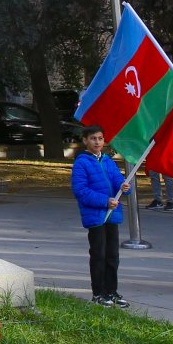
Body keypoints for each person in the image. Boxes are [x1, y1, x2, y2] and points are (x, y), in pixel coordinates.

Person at [70, 126, 130, 308]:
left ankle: (112, 290)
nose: (97, 142)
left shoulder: (107, 161)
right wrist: (105, 201)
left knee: (113, 255)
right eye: (93, 138)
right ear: (85, 141)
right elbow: (80, 191)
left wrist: (125, 187)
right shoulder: (81, 163)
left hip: (112, 216)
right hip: (96, 217)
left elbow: (117, 181)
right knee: (99, 254)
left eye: (100, 138)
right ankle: (98, 293)